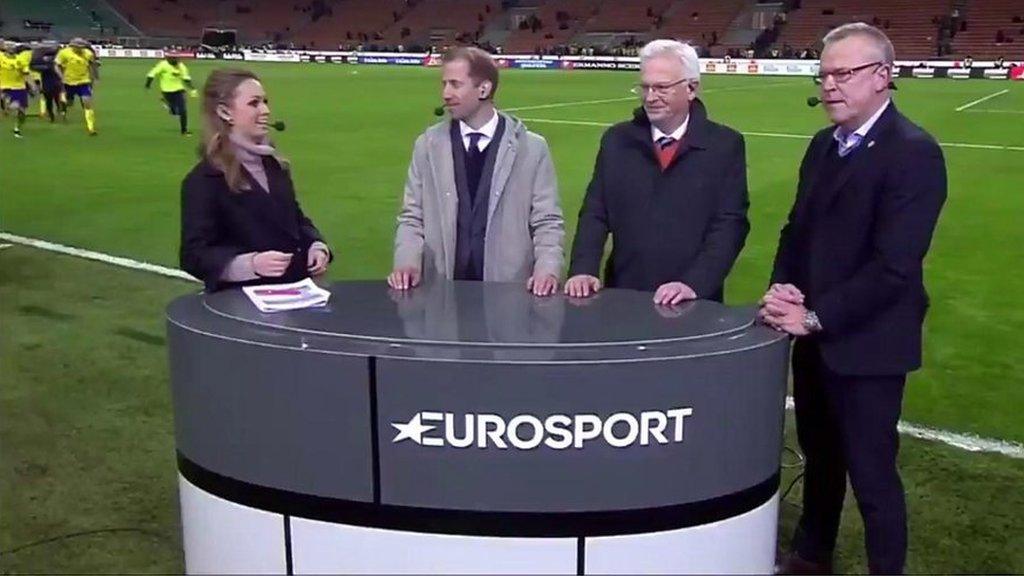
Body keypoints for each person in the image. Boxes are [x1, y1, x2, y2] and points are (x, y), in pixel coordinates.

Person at [764, 23, 946, 575]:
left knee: (871, 474)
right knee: (821, 459)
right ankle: (812, 554)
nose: (831, 86)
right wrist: (782, 285)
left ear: (883, 77)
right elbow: (797, 230)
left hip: (867, 345)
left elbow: (894, 268)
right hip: (812, 336)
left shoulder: (913, 152)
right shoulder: (823, 145)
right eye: (824, 75)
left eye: (844, 73)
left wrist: (814, 316)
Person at [564, 39, 749, 305]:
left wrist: (694, 284)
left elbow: (730, 224)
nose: (650, 97)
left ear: (691, 88)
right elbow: (595, 211)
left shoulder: (724, 145)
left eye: (661, 87)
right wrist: (583, 269)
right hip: (623, 296)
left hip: (693, 301)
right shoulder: (617, 140)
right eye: (645, 87)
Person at [388, 46, 564, 296]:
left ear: (484, 88)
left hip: (508, 296)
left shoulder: (532, 149)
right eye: (444, 84)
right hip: (442, 297)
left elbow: (547, 222)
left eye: (455, 84)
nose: (446, 94)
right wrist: (406, 262)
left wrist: (548, 269)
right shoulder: (427, 146)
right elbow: (411, 217)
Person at [180, 68, 332, 292]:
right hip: (242, 305)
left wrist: (316, 245)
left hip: (296, 293)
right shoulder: (205, 180)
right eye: (254, 103)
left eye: (265, 101)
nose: (265, 110)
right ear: (225, 112)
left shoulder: (275, 166)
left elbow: (296, 220)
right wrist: (249, 264)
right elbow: (194, 255)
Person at [56, 38, 99, 135]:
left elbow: (92, 66)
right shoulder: (64, 53)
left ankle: (91, 127)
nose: (80, 49)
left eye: (82, 47)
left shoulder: (88, 54)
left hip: (83, 81)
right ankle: (63, 110)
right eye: (78, 47)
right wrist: (60, 76)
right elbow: (56, 65)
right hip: (68, 82)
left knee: (87, 102)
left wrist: (95, 78)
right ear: (73, 46)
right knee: (69, 102)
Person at [146, 53, 196, 135]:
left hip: (179, 90)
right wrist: (148, 85)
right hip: (166, 91)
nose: (176, 60)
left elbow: (186, 78)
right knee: (174, 112)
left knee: (183, 111)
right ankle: (168, 104)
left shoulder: (181, 66)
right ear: (168, 59)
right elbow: (151, 74)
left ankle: (184, 131)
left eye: (176, 58)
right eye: (174, 59)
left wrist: (192, 88)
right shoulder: (163, 65)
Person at [0, 40, 33, 138]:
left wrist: (32, 85)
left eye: (13, 46)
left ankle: (17, 128)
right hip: (4, 86)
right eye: (8, 46)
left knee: (22, 112)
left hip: (19, 87)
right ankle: (7, 106)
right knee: (14, 105)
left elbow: (26, 74)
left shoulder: (21, 60)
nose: (11, 48)